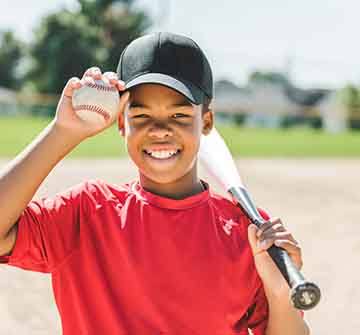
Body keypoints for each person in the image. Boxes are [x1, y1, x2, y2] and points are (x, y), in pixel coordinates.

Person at [0, 32, 309, 334]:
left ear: (207, 122)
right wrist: (63, 132)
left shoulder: (251, 233)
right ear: (122, 122)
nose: (160, 129)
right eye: (143, 115)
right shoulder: (87, 212)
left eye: (178, 115)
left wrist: (280, 294)